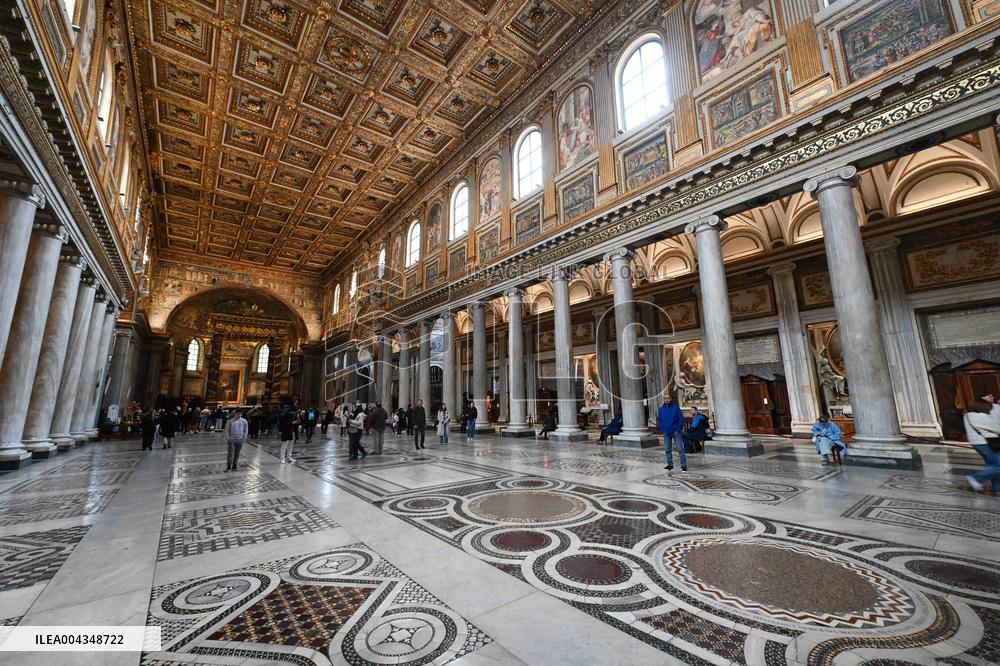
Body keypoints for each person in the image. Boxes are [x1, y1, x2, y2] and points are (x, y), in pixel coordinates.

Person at [965, 399, 1000, 492]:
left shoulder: (967, 416)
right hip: (986, 443)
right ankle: (976, 478)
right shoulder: (981, 416)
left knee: (993, 465)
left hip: (976, 443)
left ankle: (997, 488)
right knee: (998, 466)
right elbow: (997, 428)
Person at [658, 394, 685, 471]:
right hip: (666, 432)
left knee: (680, 449)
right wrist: (662, 429)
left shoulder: (675, 408)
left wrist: (678, 429)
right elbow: (660, 420)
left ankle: (683, 465)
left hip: (676, 431)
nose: (666, 400)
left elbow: (681, 419)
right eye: (665, 398)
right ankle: (670, 465)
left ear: (671, 399)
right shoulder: (661, 409)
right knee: (667, 449)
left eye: (668, 398)